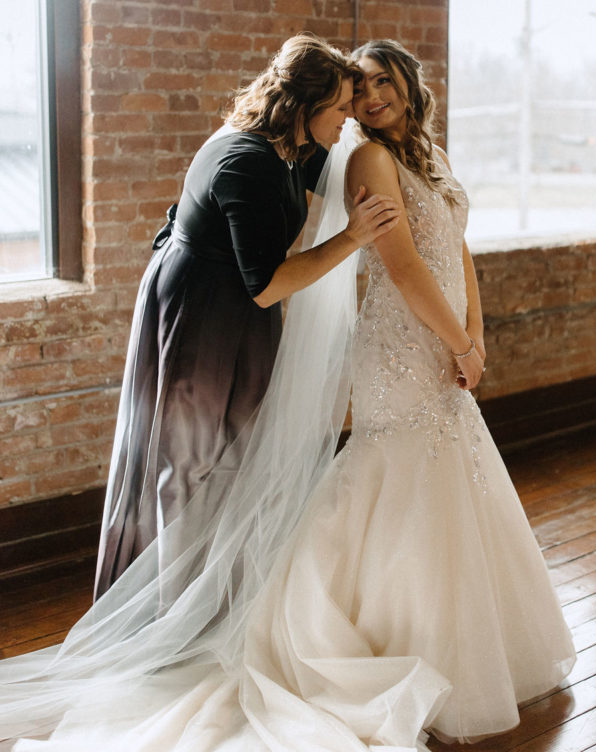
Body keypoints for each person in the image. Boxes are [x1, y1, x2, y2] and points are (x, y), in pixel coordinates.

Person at [0, 41, 574, 750]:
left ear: (407, 83)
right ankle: (178, 621)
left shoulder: (352, 150)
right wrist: (456, 340)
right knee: (202, 466)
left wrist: (474, 334)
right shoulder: (326, 158)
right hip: (349, 336)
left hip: (417, 336)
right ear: (314, 108)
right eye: (347, 97)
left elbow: (454, 248)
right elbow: (352, 269)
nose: (360, 106)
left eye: (374, 86)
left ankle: (219, 606)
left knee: (432, 473)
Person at [94, 33, 399, 597]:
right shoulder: (249, 161)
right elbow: (267, 286)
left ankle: (215, 595)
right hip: (202, 312)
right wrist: (354, 238)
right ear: (303, 108)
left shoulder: (291, 145)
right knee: (188, 461)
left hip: (232, 308)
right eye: (339, 110)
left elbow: (340, 175)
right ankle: (171, 612)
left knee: (231, 454)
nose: (347, 120)